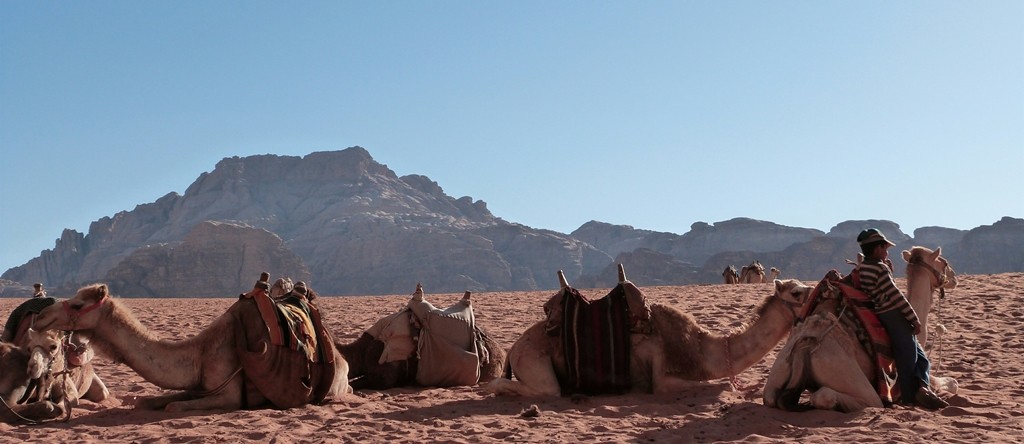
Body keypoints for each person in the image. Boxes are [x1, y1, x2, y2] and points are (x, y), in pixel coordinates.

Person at [856, 228, 948, 409]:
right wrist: (913, 318)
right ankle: (909, 397)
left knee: (922, 358)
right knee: (908, 358)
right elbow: (895, 294)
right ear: (876, 250)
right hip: (892, 315)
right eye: (884, 248)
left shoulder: (864, 267)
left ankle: (923, 387)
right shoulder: (879, 268)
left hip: (881, 312)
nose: (886, 252)